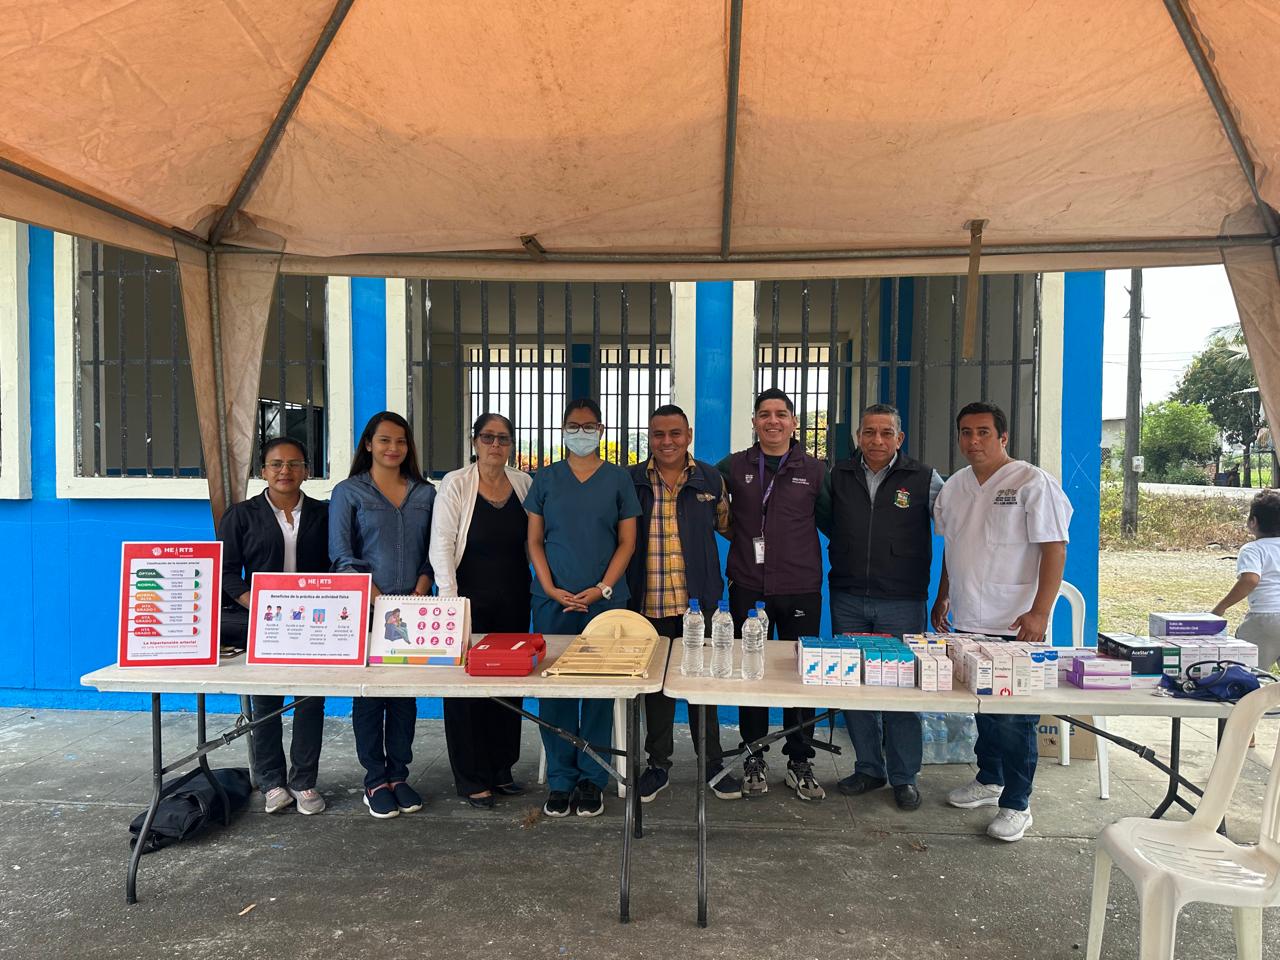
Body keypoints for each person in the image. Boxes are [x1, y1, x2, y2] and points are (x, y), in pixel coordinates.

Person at [931, 400, 1072, 842]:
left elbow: (1055, 547)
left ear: (1003, 437)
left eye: (984, 432)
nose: (974, 441)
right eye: (966, 432)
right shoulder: (955, 487)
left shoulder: (1031, 482)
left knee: (1013, 716)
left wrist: (1040, 611)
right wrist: (943, 595)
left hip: (1015, 621)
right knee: (985, 709)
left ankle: (1017, 803)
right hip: (968, 617)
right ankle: (989, 779)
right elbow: (954, 548)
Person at [822, 403, 943, 811]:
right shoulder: (838, 475)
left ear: (899, 438)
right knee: (854, 686)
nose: (877, 440)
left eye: (886, 433)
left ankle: (904, 776)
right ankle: (869, 768)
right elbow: (828, 521)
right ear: (858, 436)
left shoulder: (924, 478)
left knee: (902, 689)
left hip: (902, 600)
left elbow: (954, 524)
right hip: (848, 596)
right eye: (869, 432)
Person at [527, 398, 640, 818]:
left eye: (589, 426)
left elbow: (627, 542)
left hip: (604, 605)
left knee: (598, 691)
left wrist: (602, 589)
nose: (581, 433)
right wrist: (550, 588)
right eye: (573, 426)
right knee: (555, 692)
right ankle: (560, 779)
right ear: (562, 430)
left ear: (601, 430)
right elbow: (534, 541)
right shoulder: (545, 478)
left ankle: (593, 779)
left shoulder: (618, 479)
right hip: (552, 603)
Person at [625, 405, 743, 802]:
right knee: (655, 692)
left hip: (699, 605)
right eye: (658, 434)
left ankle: (712, 764)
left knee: (702, 686)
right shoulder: (632, 481)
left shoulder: (710, 479)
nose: (667, 442)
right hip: (648, 604)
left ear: (688, 436)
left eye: (675, 433)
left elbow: (729, 526)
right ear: (649, 438)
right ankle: (658, 765)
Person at [718, 388, 831, 801]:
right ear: (754, 422)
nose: (773, 421)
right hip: (749, 585)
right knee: (753, 672)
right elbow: (708, 500)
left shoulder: (815, 470)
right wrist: (735, 534)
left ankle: (800, 759)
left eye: (781, 414)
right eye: (764, 414)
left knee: (801, 674)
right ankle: (754, 755)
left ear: (794, 422)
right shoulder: (733, 466)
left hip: (801, 587)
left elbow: (833, 521)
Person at [330, 411, 436, 820]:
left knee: (405, 697)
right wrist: (377, 600)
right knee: (371, 697)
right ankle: (375, 779)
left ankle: (399, 775)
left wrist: (420, 589)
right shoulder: (349, 492)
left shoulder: (425, 493)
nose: (394, 448)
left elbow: (433, 551)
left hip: (414, 607)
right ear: (369, 444)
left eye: (401, 441)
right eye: (385, 440)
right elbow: (341, 555)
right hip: (368, 609)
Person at [218, 437, 330, 815]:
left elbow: (336, 565)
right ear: (263, 471)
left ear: (307, 471)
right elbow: (227, 572)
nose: (286, 471)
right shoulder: (241, 515)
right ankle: (271, 782)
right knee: (265, 703)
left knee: (310, 701)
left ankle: (304, 781)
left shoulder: (324, 513)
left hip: (314, 623)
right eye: (277, 464)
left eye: (295, 464)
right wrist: (257, 603)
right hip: (264, 623)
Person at [430, 413, 534, 809]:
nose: (495, 445)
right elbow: (442, 544)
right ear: (474, 441)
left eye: (503, 438)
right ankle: (472, 776)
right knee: (466, 689)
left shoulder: (523, 484)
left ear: (511, 445)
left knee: (509, 684)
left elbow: (534, 543)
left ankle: (502, 768)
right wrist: (451, 602)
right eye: (488, 437)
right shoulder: (456, 484)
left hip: (514, 599)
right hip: (467, 600)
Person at [1212, 489, 1280, 670]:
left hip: (1266, 618)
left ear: (1253, 522)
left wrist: (1220, 608)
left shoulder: (1253, 549)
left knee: (1245, 673)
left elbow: (1250, 580)